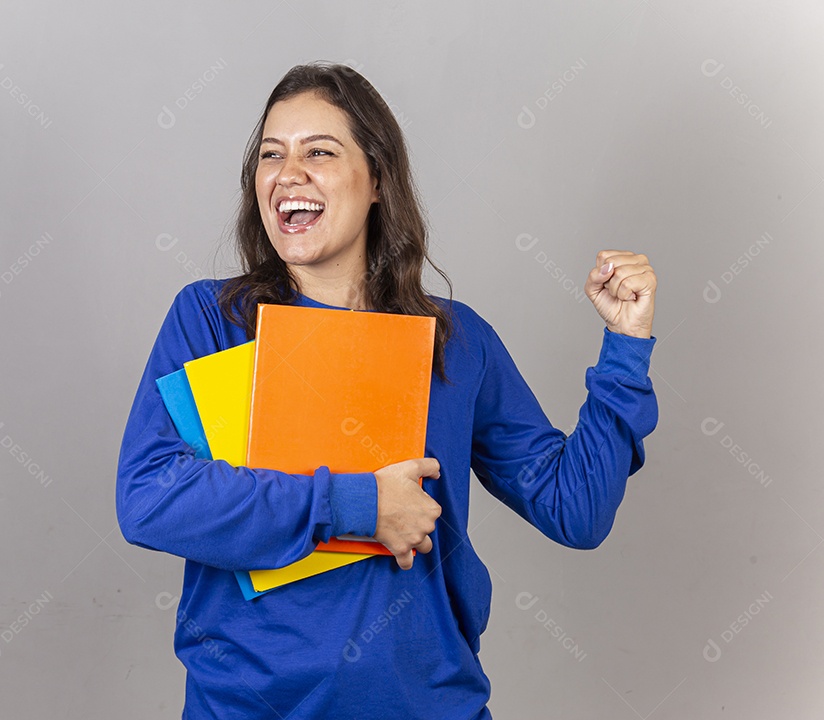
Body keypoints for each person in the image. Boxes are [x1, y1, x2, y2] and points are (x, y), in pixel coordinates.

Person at [116, 61, 658, 719]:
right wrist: (357, 503)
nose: (289, 174)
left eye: (319, 151)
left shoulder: (455, 340)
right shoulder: (212, 320)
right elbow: (149, 498)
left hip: (426, 703)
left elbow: (574, 510)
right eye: (271, 155)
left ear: (376, 179)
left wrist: (625, 352)